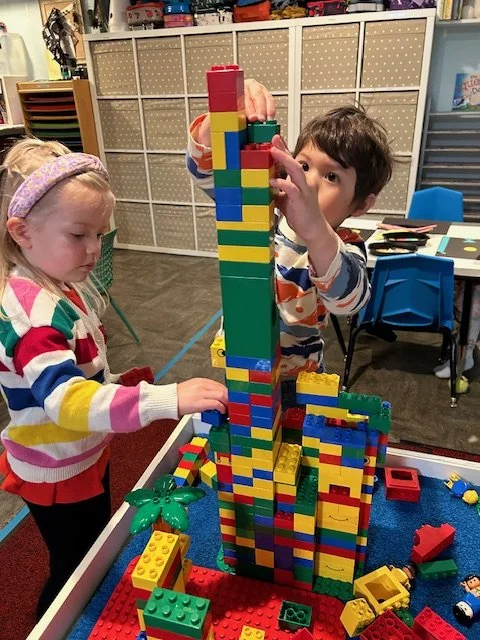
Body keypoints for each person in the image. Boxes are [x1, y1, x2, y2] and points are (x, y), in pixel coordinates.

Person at [0, 139, 228, 619]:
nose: (94, 249)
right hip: (57, 465)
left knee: (92, 549)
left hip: (81, 450)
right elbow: (66, 401)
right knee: (74, 568)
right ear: (21, 232)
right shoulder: (34, 318)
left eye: (99, 234)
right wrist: (164, 397)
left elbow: (81, 370)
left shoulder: (58, 283)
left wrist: (121, 381)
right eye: (78, 235)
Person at [186, 79, 394, 402]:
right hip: (247, 370)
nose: (308, 182)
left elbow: (350, 299)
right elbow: (205, 172)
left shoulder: (343, 245)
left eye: (331, 177)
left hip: (301, 385)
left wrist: (314, 229)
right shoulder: (265, 212)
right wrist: (223, 116)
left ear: (362, 204)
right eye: (305, 164)